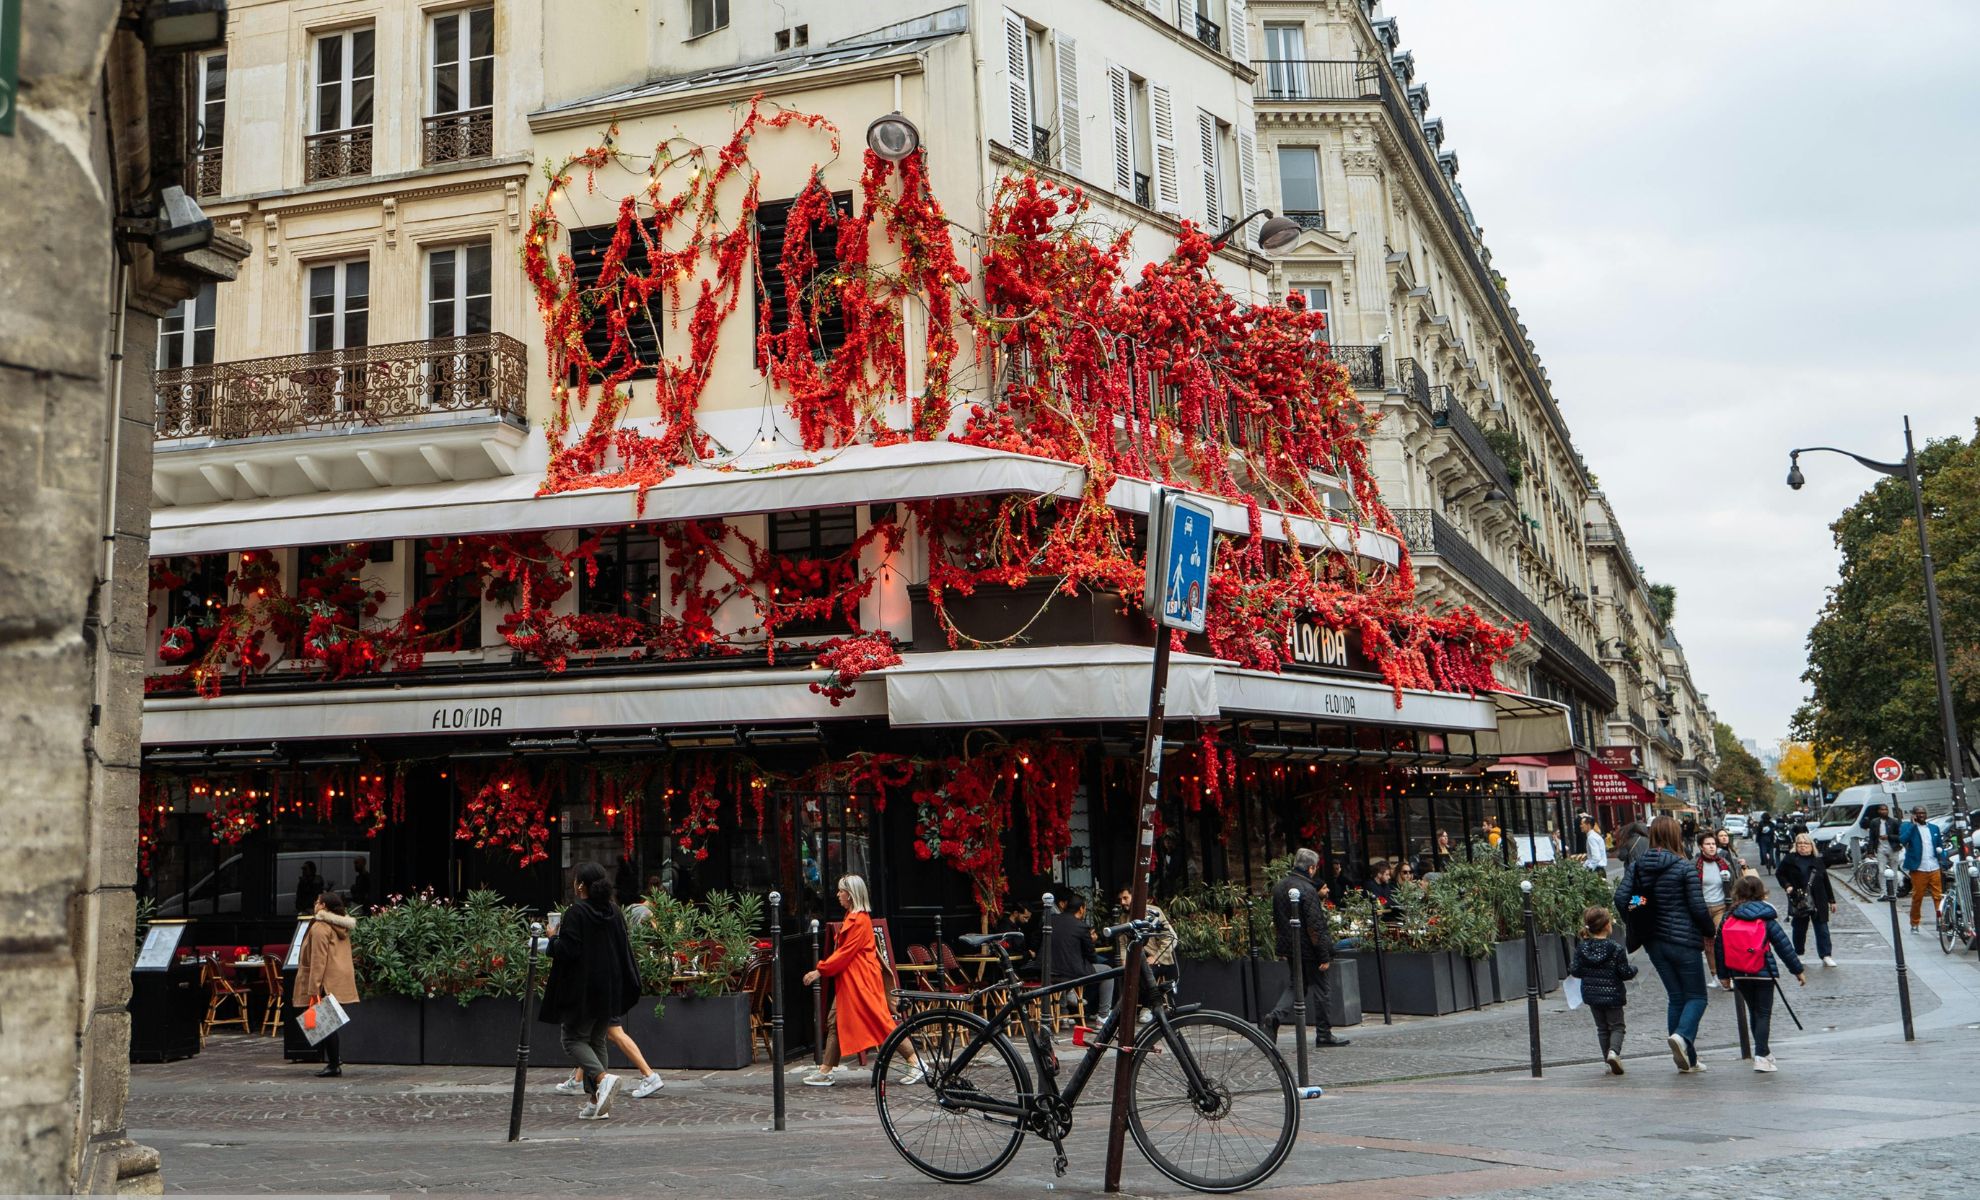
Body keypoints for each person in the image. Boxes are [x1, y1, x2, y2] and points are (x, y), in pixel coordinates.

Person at [538, 861, 641, 1120]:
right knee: (596, 1040)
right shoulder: (613, 911)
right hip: (610, 987)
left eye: (575, 880)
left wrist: (552, 938)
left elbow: (568, 950)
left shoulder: (576, 913)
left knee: (572, 1039)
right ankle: (596, 1102)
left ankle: (604, 1079)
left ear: (581, 885)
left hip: (582, 989)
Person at [1614, 815, 1714, 1073]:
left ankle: (1688, 1059)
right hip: (1684, 940)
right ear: (1675, 836)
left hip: (1653, 940)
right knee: (1697, 997)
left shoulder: (1638, 866)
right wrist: (1709, 931)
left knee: (1676, 997)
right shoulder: (1684, 867)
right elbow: (1697, 906)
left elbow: (1622, 898)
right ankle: (1682, 1036)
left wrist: (1640, 910)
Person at [801, 875, 919, 1086]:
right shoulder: (853, 917)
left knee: (881, 1022)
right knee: (835, 1021)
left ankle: (915, 1062)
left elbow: (844, 953)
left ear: (851, 894)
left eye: (841, 891)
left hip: (861, 983)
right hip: (853, 982)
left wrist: (819, 971)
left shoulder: (858, 921)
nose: (838, 895)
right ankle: (825, 1070)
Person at [1714, 874, 1806, 1073]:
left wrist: (1723, 975)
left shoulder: (1728, 917)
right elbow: (1783, 945)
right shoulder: (1766, 916)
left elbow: (1719, 948)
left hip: (1739, 972)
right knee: (1763, 1013)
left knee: (1754, 1011)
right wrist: (1797, 970)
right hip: (1762, 971)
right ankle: (1761, 1057)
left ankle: (1764, 1052)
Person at [1264, 848, 1348, 1047]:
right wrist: (1324, 955)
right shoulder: (1308, 889)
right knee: (1322, 990)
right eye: (1315, 868)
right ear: (1311, 868)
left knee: (1296, 985)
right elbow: (1315, 925)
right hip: (1309, 948)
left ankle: (1275, 1017)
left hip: (1291, 946)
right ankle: (1324, 1033)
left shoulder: (1280, 887)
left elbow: (1278, 920)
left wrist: (1283, 947)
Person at [292, 890, 358, 1078]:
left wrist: (314, 988)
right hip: (339, 978)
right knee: (328, 1022)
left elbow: (318, 959)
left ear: (324, 906)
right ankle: (335, 1061)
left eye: (317, 902)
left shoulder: (320, 927)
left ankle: (334, 1064)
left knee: (325, 1023)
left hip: (325, 980)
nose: (315, 904)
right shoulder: (340, 925)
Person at [1567, 906, 1637, 1075]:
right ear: (1607, 926)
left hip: (1592, 995)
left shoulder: (1582, 948)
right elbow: (1624, 972)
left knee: (1602, 1028)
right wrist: (1634, 970)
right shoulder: (1616, 948)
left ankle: (1607, 1061)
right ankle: (1613, 1052)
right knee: (1617, 1026)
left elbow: (1575, 970)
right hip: (1613, 995)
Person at [1774, 832, 1839, 967]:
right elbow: (1779, 874)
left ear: (1811, 845)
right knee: (1799, 928)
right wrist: (1787, 885)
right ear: (1796, 845)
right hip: (1799, 898)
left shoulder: (1817, 860)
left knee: (1822, 929)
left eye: (1805, 843)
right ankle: (1799, 953)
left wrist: (1832, 900)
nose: (1803, 846)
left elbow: (1825, 880)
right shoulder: (1790, 859)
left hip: (1819, 898)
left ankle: (1826, 955)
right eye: (1800, 844)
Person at [1900, 807, 1947, 933]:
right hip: (1919, 868)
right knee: (1918, 897)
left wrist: (1943, 860)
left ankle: (1941, 921)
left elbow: (1939, 846)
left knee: (1938, 896)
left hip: (1934, 866)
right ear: (1914, 815)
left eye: (1923, 813)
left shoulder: (1934, 828)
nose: (1921, 815)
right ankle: (1914, 923)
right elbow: (1902, 840)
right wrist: (1912, 826)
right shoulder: (1908, 827)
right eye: (1918, 813)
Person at [1696, 834, 1737, 929]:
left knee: (1719, 933)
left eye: (1713, 844)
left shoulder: (1724, 863)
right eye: (1708, 844)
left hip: (1720, 907)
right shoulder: (1695, 865)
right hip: (1702, 908)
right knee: (1705, 936)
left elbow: (1733, 883)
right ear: (1701, 847)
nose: (1711, 846)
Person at [1862, 802, 1903, 880]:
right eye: (1882, 810)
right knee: (1881, 871)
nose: (1884, 811)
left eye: (1886, 810)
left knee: (1894, 871)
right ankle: (1883, 887)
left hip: (1893, 849)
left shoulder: (1894, 822)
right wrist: (1870, 851)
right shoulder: (1874, 822)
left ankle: (1894, 887)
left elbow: (1900, 837)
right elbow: (1872, 837)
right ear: (1878, 811)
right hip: (1880, 849)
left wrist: (1888, 837)